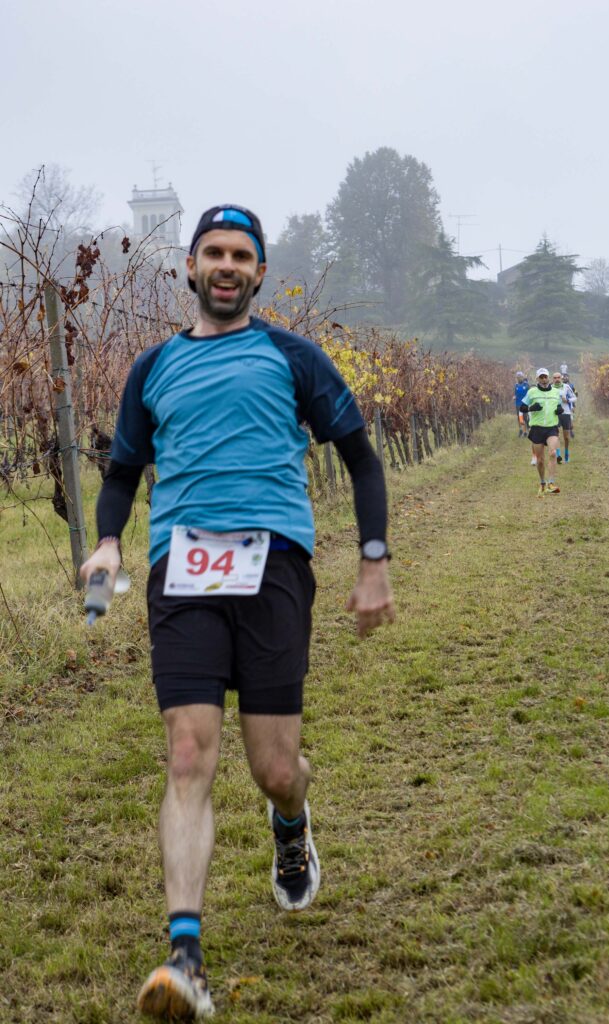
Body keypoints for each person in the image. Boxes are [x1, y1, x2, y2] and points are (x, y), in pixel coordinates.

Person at [79, 204, 395, 1020]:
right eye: (213, 252)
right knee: (187, 754)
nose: (226, 265)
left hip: (274, 567)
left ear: (258, 273)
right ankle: (184, 956)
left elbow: (361, 459)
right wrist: (109, 543)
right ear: (189, 267)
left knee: (274, 769)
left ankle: (290, 821)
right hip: (181, 569)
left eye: (241, 255)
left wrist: (373, 562)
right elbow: (121, 472)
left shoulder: (293, 356)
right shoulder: (153, 367)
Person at [519, 368, 562, 496]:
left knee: (553, 453)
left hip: (551, 427)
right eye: (541, 377)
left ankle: (551, 483)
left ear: (548, 378)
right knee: (540, 460)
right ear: (537, 379)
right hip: (537, 428)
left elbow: (559, 405)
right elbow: (522, 407)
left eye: (545, 377)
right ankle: (542, 483)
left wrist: (559, 410)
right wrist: (531, 408)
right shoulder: (532, 392)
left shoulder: (556, 392)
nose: (543, 379)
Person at [552, 371, 576, 463]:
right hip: (555, 414)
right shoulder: (550, 388)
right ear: (552, 379)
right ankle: (558, 455)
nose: (557, 379)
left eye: (558, 377)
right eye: (555, 378)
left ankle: (566, 454)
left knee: (566, 437)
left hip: (566, 413)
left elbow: (574, 398)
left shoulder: (566, 387)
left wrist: (568, 400)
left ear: (561, 378)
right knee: (556, 435)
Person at [514, 371, 529, 437]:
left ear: (522, 377)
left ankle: (526, 431)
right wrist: (514, 397)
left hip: (525, 403)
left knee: (525, 418)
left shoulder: (526, 385)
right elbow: (515, 394)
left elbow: (529, 393)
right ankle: (521, 430)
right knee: (520, 418)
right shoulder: (516, 385)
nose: (519, 378)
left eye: (520, 377)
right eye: (518, 377)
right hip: (518, 404)